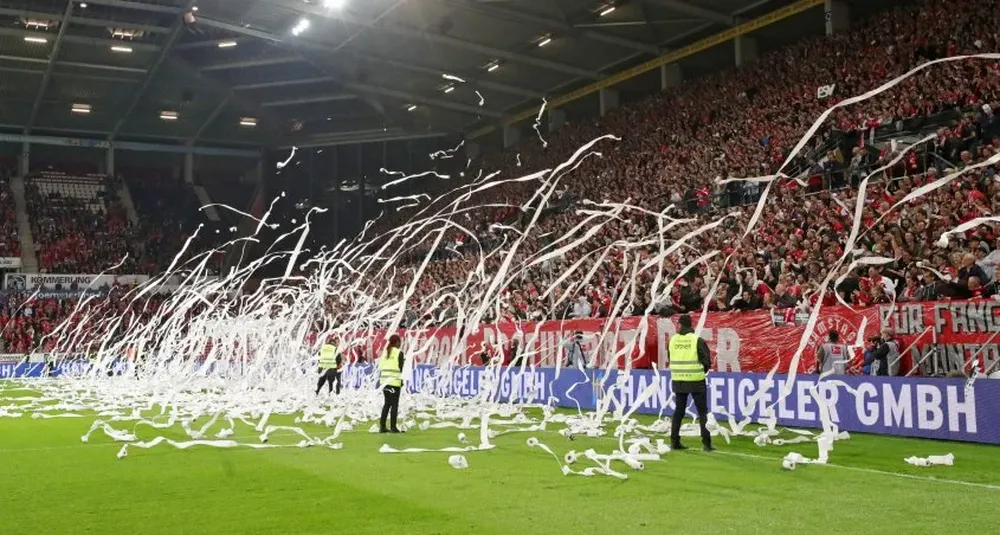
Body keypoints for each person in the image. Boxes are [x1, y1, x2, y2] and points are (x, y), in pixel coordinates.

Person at [668, 314, 714, 452]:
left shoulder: (673, 340)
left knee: (679, 412)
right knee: (702, 412)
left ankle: (674, 441)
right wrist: (701, 370)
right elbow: (706, 360)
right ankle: (706, 443)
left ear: (680, 325)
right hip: (695, 380)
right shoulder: (696, 340)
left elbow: (670, 357)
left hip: (678, 379)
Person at [378, 334, 404, 433]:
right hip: (394, 382)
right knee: (394, 405)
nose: (400, 344)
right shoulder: (399, 353)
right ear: (397, 342)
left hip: (384, 382)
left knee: (386, 404)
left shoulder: (385, 353)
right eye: (399, 342)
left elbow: (380, 367)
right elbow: (401, 369)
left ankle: (382, 426)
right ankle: (393, 427)